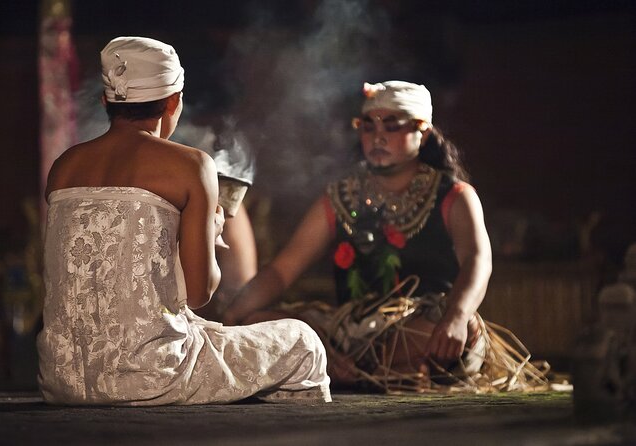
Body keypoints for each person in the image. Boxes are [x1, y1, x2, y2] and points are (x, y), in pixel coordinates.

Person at [36, 36, 331, 405]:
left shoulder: (65, 165)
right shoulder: (191, 164)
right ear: (174, 102)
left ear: (106, 102)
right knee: (302, 342)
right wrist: (210, 231)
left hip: (61, 378)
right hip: (150, 375)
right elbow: (199, 293)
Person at [223, 81, 493, 388]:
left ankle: (357, 369)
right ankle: (359, 368)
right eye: (367, 126)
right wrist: (233, 315)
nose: (377, 136)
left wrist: (455, 317)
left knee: (465, 327)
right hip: (350, 334)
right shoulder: (340, 197)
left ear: (425, 133)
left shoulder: (455, 196)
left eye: (392, 126)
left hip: (422, 327)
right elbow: (283, 270)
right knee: (256, 322)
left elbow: (477, 260)